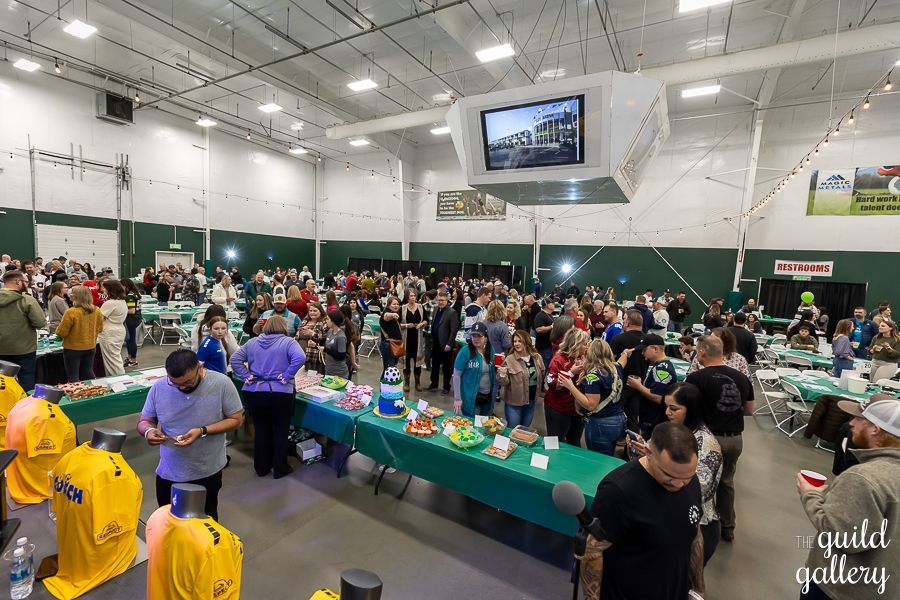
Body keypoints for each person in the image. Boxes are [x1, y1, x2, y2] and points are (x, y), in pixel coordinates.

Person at [580, 421, 705, 600]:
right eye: (668, 475)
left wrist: (698, 590)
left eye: (686, 477)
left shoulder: (689, 481)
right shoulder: (618, 491)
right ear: (648, 452)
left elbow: (695, 534)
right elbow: (593, 550)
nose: (679, 484)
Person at [796, 398, 900, 600]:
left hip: (839, 588)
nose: (851, 422)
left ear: (875, 429)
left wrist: (811, 495)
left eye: (860, 418)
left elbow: (843, 537)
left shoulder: (862, 478)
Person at [138, 350, 244, 519]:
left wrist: (203, 430)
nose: (182, 387)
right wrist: (149, 431)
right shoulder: (159, 387)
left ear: (199, 368)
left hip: (206, 471)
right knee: (169, 521)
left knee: (205, 522)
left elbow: (236, 420)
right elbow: (145, 421)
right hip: (169, 471)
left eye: (188, 382)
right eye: (175, 383)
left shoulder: (222, 384)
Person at [628, 382, 723, 564]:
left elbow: (698, 488)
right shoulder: (670, 430)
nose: (667, 413)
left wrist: (653, 461)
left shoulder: (707, 444)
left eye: (674, 408)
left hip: (696, 526)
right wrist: (643, 452)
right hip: (665, 519)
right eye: (666, 407)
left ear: (691, 409)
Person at [685, 335, 754, 543]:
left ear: (702, 353)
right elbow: (750, 410)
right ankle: (728, 526)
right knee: (726, 482)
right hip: (735, 439)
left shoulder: (696, 378)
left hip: (707, 441)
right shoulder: (742, 377)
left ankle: (693, 522)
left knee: (697, 482)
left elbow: (688, 409)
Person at [231, 316, 306, 476]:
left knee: (262, 429)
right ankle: (280, 467)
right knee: (280, 430)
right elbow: (300, 357)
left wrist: (245, 375)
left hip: (254, 391)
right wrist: (287, 374)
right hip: (280, 392)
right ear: (283, 327)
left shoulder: (252, 342)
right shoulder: (288, 342)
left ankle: (261, 467)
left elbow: (235, 359)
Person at [558, 338, 624, 456]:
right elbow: (622, 361)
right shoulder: (616, 368)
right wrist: (625, 354)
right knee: (609, 456)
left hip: (601, 422)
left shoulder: (593, 377)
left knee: (598, 458)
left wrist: (570, 386)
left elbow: (591, 405)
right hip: (619, 419)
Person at [0, 270, 47, 391]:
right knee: (26, 379)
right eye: (26, 281)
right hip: (24, 349)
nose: (27, 284)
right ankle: (25, 407)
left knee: (2, 382)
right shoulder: (27, 300)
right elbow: (40, 323)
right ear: (17, 281)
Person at [544, 328, 590, 445]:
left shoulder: (583, 359)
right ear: (576, 344)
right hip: (558, 408)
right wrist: (571, 373)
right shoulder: (558, 360)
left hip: (576, 410)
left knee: (574, 442)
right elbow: (553, 385)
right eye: (584, 344)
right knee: (555, 442)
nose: (587, 346)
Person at [55, 285, 104, 383]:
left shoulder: (71, 312)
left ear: (77, 296)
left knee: (73, 376)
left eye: (72, 293)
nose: (70, 295)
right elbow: (100, 329)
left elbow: (61, 332)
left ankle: (76, 394)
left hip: (73, 349)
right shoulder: (97, 310)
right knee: (88, 373)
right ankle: (93, 391)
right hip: (91, 347)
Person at [497, 330, 545, 429]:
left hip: (531, 401)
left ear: (526, 341)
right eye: (515, 341)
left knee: (524, 431)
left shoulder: (537, 358)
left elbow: (542, 374)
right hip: (514, 404)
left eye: (520, 341)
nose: (517, 344)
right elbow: (503, 383)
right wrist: (501, 373)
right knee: (513, 431)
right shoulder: (509, 359)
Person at [609, 310, 647, 433]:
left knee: (615, 415)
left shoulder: (618, 339)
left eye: (624, 319)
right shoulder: (647, 341)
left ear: (628, 322)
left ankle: (617, 439)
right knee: (633, 418)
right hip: (638, 384)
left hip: (620, 385)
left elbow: (609, 361)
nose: (623, 321)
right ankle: (632, 448)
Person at [452, 321, 496, 417]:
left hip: (487, 399)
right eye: (473, 336)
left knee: (484, 428)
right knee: (471, 429)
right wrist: (457, 398)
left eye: (479, 336)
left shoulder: (491, 351)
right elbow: (456, 375)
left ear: (485, 337)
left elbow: (494, 372)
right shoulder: (465, 351)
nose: (476, 339)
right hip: (471, 400)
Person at [687, 327, 752, 380]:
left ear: (726, 341)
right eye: (710, 338)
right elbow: (690, 375)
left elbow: (748, 381)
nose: (711, 342)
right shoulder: (701, 354)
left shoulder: (739, 359)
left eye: (715, 339)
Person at [428, 293, 459, 395]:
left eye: (443, 300)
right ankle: (434, 384)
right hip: (436, 342)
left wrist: (449, 344)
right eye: (439, 300)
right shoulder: (436, 309)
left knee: (446, 367)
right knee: (435, 365)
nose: (440, 302)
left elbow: (454, 330)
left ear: (447, 301)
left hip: (445, 344)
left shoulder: (452, 312)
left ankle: (446, 387)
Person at [98, 279, 128, 376]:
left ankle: (120, 381)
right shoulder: (122, 301)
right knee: (115, 358)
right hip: (119, 330)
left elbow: (99, 318)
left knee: (112, 361)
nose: (103, 290)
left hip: (109, 332)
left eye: (104, 288)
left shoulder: (110, 303)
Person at [400, 290, 427, 392]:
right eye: (411, 296)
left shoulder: (420, 307)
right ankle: (406, 382)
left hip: (417, 339)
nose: (413, 297)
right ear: (407, 297)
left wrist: (421, 324)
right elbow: (398, 324)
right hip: (406, 340)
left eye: (414, 296)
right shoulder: (402, 308)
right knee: (406, 362)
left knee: (417, 363)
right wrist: (407, 325)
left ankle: (417, 382)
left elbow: (425, 320)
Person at [298, 301, 328, 373]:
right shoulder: (305, 320)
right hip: (300, 354)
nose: (312, 313)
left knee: (312, 377)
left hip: (314, 357)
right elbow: (298, 333)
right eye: (310, 311)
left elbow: (325, 338)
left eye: (315, 311)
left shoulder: (324, 322)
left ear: (320, 311)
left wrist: (313, 334)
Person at [378, 296, 404, 371]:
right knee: (389, 370)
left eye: (397, 304)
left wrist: (407, 325)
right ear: (388, 305)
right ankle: (384, 383)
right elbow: (386, 316)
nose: (396, 306)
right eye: (394, 304)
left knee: (391, 369)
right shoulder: (386, 313)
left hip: (395, 345)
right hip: (388, 346)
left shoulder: (393, 312)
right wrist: (392, 315)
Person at [323, 309, 350, 378]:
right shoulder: (330, 331)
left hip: (339, 373)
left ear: (333, 321)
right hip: (329, 369)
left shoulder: (341, 337)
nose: (326, 321)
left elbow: (341, 356)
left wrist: (325, 350)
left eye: (328, 319)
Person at [533, 301, 556, 370]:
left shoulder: (549, 314)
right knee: (544, 367)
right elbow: (538, 329)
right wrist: (551, 327)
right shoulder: (540, 316)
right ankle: (542, 380)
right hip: (543, 346)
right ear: (547, 305)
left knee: (548, 365)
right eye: (552, 303)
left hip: (549, 345)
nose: (553, 304)